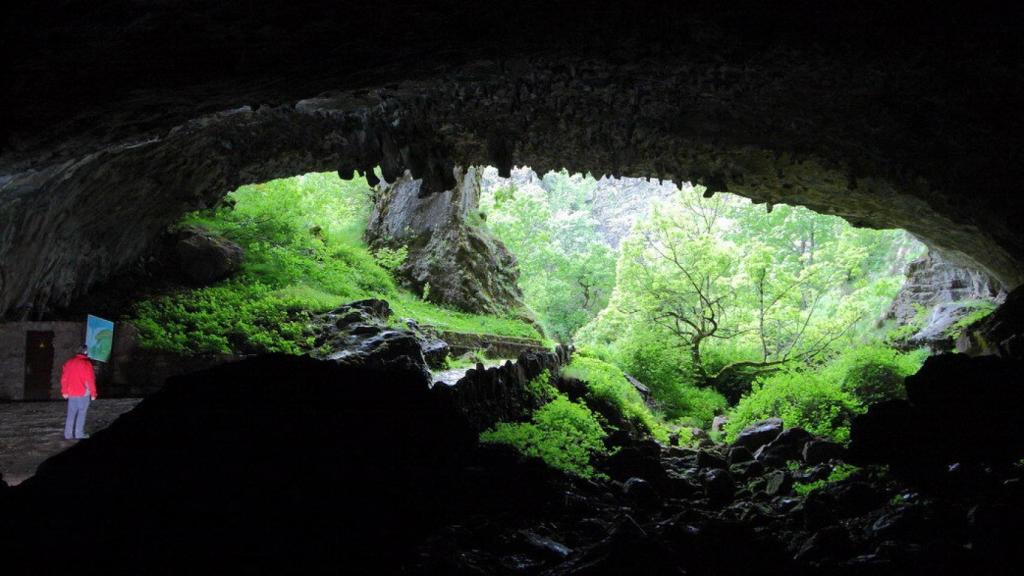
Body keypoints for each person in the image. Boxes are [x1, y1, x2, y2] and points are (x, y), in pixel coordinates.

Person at [61, 345, 97, 440]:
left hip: (71, 392)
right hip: (83, 393)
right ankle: (79, 434)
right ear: (85, 352)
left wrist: (64, 391)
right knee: (82, 413)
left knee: (71, 414)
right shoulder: (86, 364)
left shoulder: (69, 363)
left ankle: (68, 434)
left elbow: (64, 378)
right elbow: (90, 380)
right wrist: (93, 393)